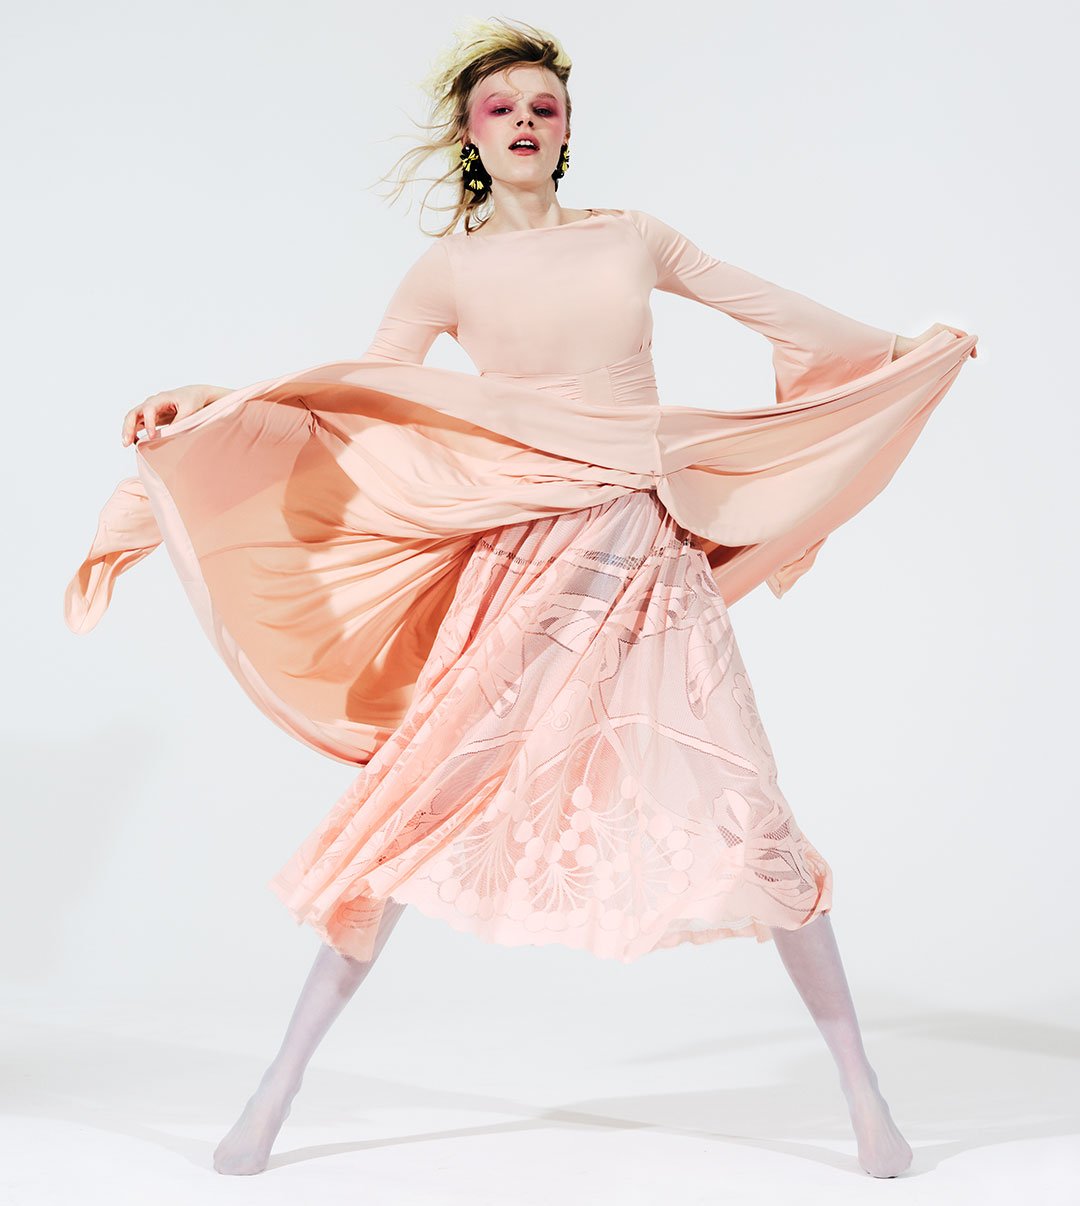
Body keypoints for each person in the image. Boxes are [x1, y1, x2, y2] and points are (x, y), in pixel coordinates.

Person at [66, 17, 977, 1181]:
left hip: (645, 564)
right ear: (471, 133)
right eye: (503, 108)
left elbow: (772, 309)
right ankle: (274, 1091)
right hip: (521, 568)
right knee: (416, 806)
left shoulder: (632, 236)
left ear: (568, 128)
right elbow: (365, 400)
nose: (526, 122)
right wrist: (218, 401)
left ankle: (863, 1097)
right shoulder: (450, 268)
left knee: (750, 810)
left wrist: (905, 354)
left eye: (545, 106)